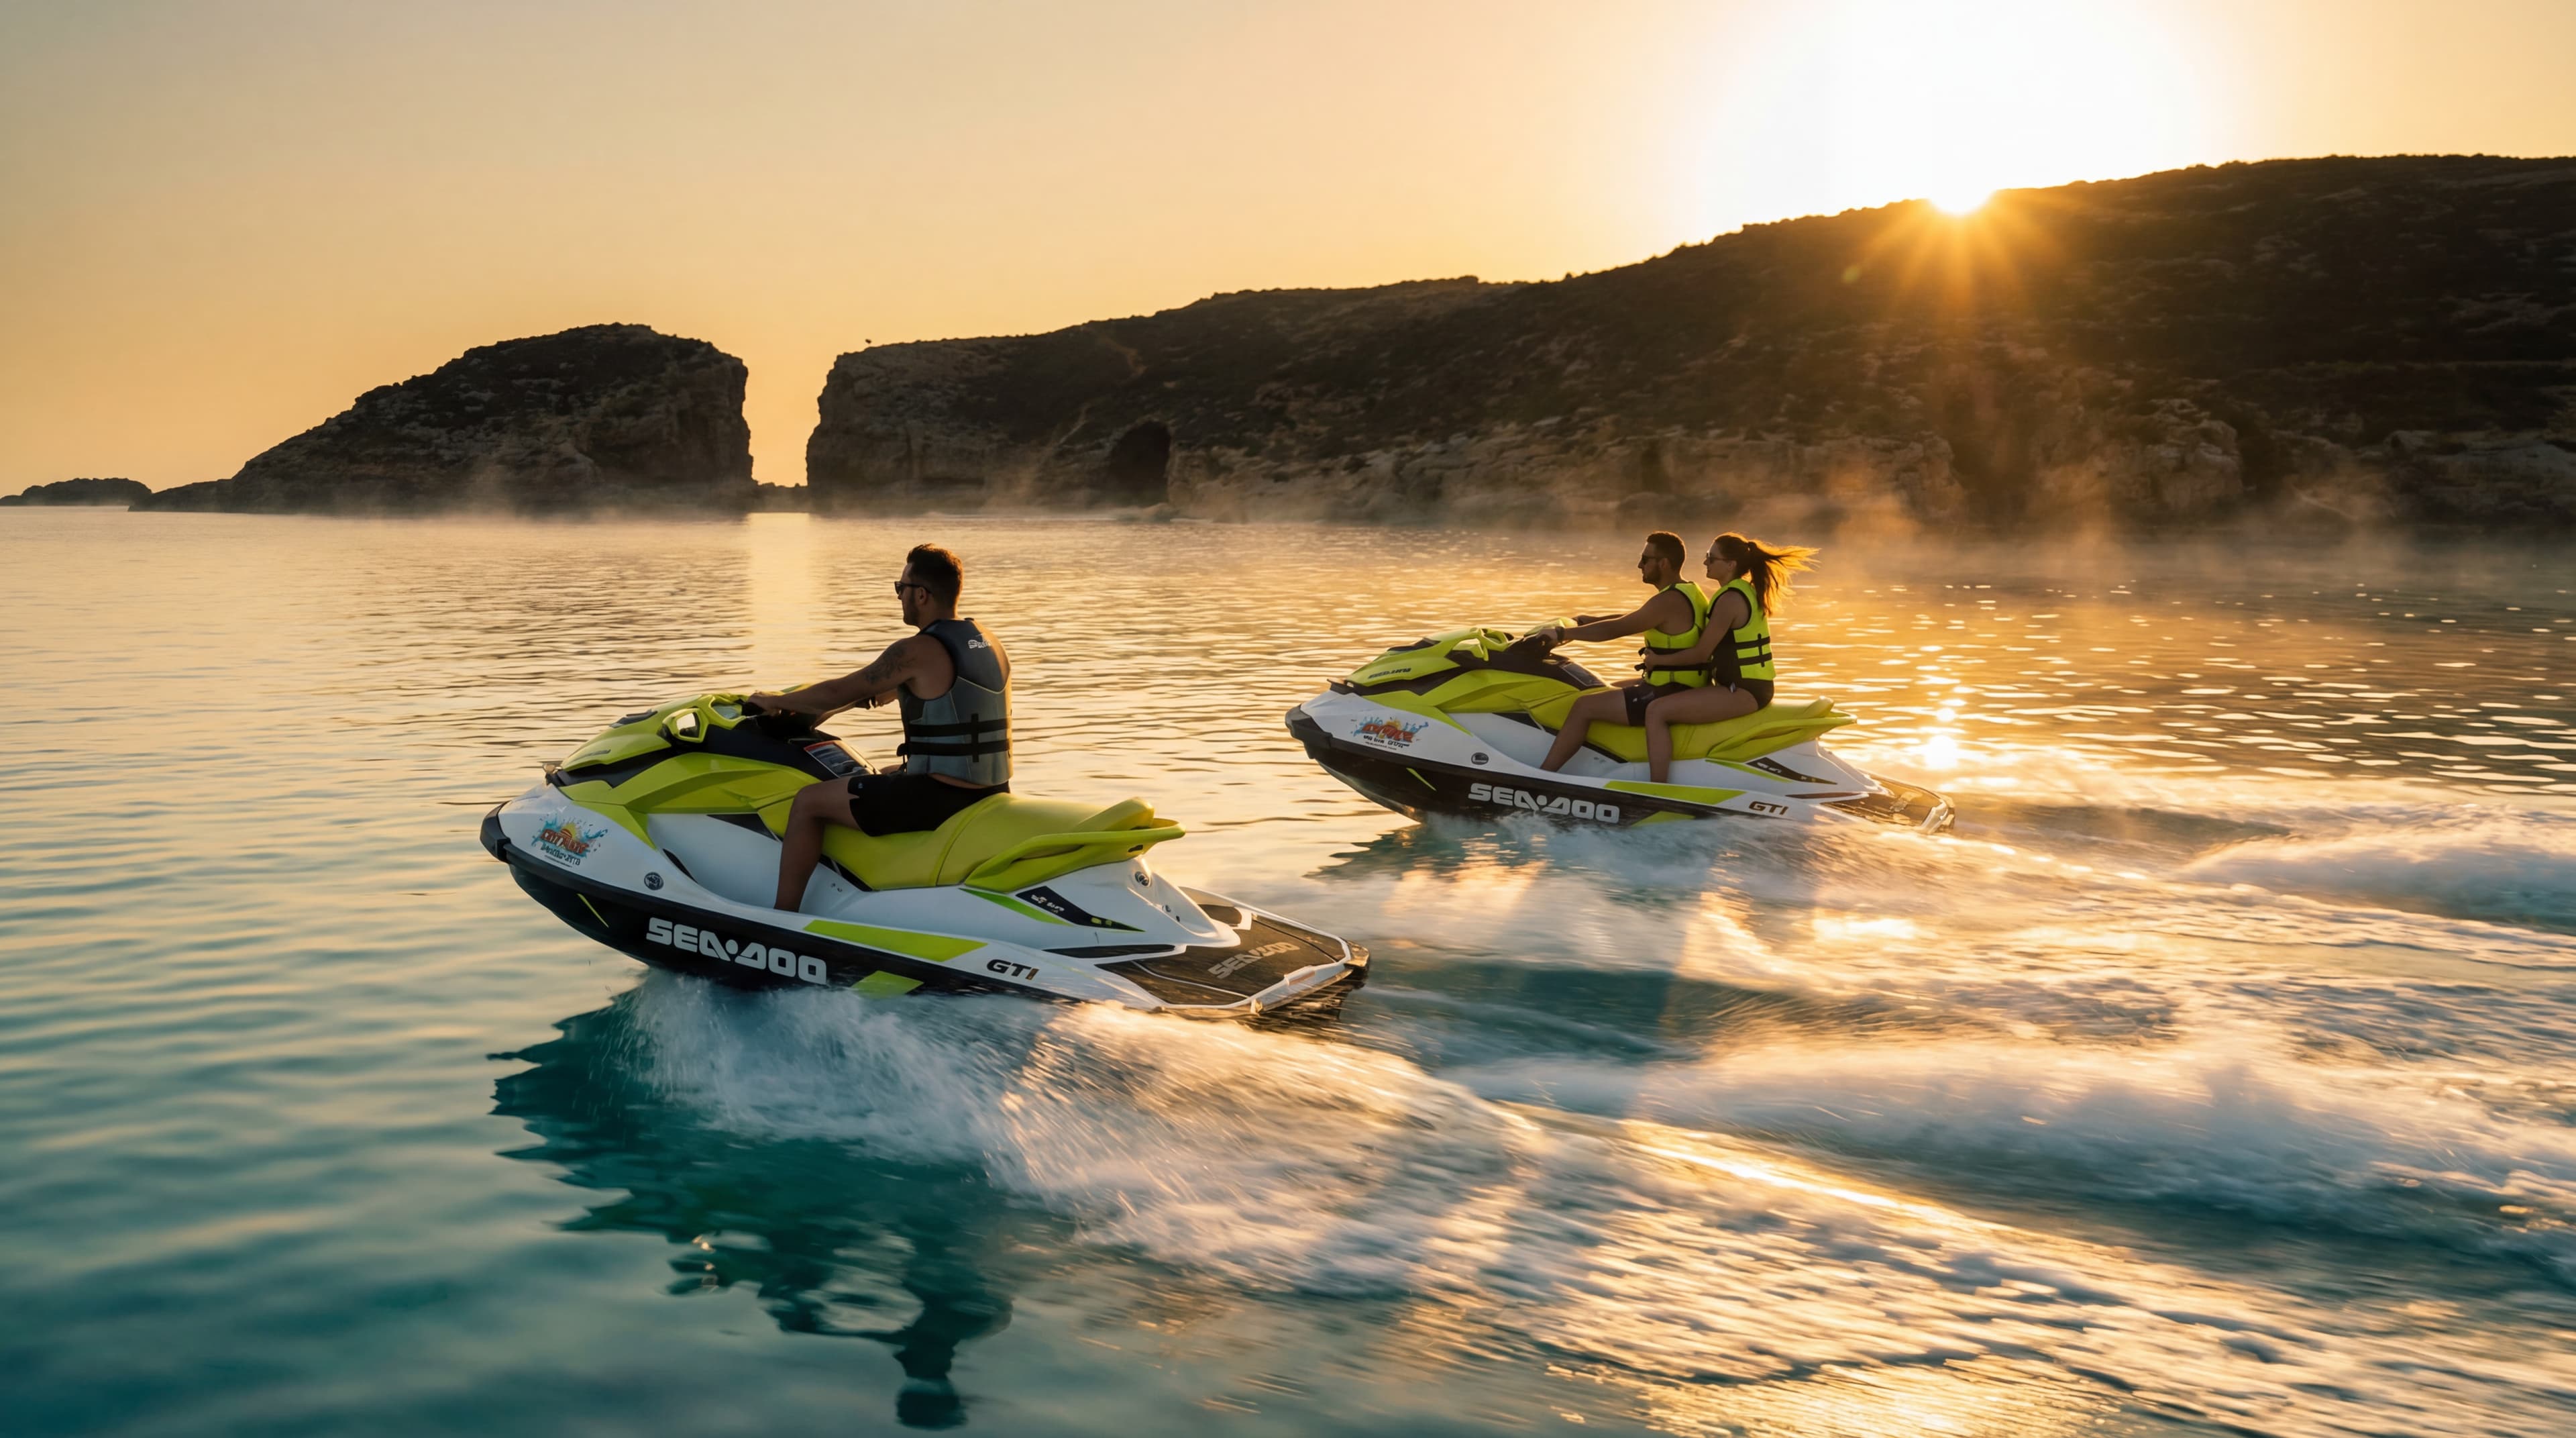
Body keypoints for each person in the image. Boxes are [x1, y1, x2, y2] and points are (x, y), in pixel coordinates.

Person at [747, 544, 1010, 912]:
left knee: (808, 802)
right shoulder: (984, 641)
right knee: (881, 771)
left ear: (921, 594)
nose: (899, 596)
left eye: (900, 588)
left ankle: (782, 916)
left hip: (940, 798)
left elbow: (843, 688)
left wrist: (776, 700)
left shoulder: (916, 650)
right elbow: (877, 693)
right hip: (990, 787)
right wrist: (821, 713)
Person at [1635, 531, 1817, 781]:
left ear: (1730, 565)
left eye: (1711, 558)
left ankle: (1657, 787)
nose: (1705, 563)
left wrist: (1658, 661)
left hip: (1743, 691)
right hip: (1748, 687)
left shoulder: (1730, 600)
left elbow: (1700, 653)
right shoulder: (1739, 592)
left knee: (1657, 711)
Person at [1532, 531, 1714, 772]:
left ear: (1664, 563)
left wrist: (1563, 635)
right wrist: (1587, 620)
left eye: (1645, 559)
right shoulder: (1688, 592)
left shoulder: (1668, 601)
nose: (1639, 565)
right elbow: (1635, 618)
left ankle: (1545, 774)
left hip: (1669, 690)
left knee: (1583, 706)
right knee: (1600, 688)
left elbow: (1618, 629)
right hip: (1675, 684)